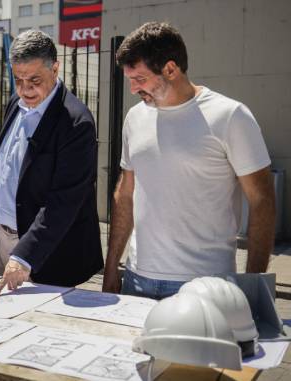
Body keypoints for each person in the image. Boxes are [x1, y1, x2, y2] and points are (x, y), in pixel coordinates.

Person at [102, 22, 276, 300]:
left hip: (206, 286)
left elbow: (262, 200)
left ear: (170, 69)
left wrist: (254, 286)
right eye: (130, 79)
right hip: (137, 280)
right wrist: (111, 268)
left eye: (140, 79)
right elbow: (126, 194)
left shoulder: (230, 116)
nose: (133, 89)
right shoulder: (135, 118)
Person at [0, 30, 103, 296]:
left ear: (55, 68)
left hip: (47, 252)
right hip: (3, 239)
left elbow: (65, 200)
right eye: (18, 80)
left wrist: (23, 256)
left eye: (35, 80)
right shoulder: (17, 101)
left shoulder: (76, 122)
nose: (25, 89)